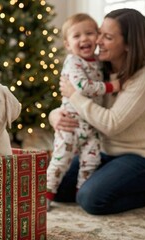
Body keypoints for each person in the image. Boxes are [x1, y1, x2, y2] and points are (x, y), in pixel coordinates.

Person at [49, 8, 145, 215]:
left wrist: (75, 96)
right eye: (100, 32)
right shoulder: (97, 66)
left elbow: (111, 124)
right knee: (53, 186)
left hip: (141, 157)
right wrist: (55, 116)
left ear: (129, 44)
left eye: (108, 37)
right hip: (104, 152)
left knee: (90, 199)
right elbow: (70, 99)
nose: (98, 41)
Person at [46, 13, 120, 211]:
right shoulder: (73, 62)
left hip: (92, 127)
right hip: (70, 124)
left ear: (97, 36)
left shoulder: (99, 62)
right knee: (60, 161)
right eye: (76, 36)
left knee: (91, 162)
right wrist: (111, 86)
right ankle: (45, 196)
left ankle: (82, 194)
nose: (84, 39)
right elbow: (82, 87)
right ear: (68, 45)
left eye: (89, 33)